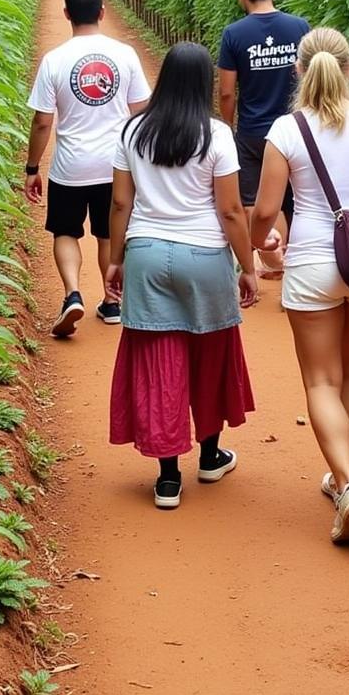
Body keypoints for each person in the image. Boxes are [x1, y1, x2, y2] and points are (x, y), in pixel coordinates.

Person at [251, 28, 349, 545]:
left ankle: (347, 483)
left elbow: (267, 212)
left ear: (297, 71)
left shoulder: (287, 129)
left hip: (314, 262)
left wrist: (263, 245)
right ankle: (346, 479)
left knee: (320, 381)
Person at [107, 42, 258, 510]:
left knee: (159, 358)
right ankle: (211, 457)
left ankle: (169, 478)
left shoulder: (133, 132)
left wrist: (116, 258)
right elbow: (231, 210)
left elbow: (120, 204)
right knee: (209, 355)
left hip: (148, 253)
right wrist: (249, 266)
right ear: (203, 84)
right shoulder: (217, 135)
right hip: (205, 256)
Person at [25, 0, 151, 338]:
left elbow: (42, 121)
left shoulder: (54, 60)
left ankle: (72, 294)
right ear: (102, 12)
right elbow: (141, 110)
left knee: (65, 231)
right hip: (116, 164)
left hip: (70, 166)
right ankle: (112, 302)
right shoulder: (124, 55)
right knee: (109, 232)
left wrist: (33, 167)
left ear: (66, 14)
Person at [218, 0, 309, 277]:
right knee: (293, 198)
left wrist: (228, 129)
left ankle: (275, 259)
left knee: (253, 199)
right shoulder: (300, 28)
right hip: (296, 129)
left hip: (253, 131)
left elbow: (227, 92)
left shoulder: (233, 34)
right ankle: (292, 259)